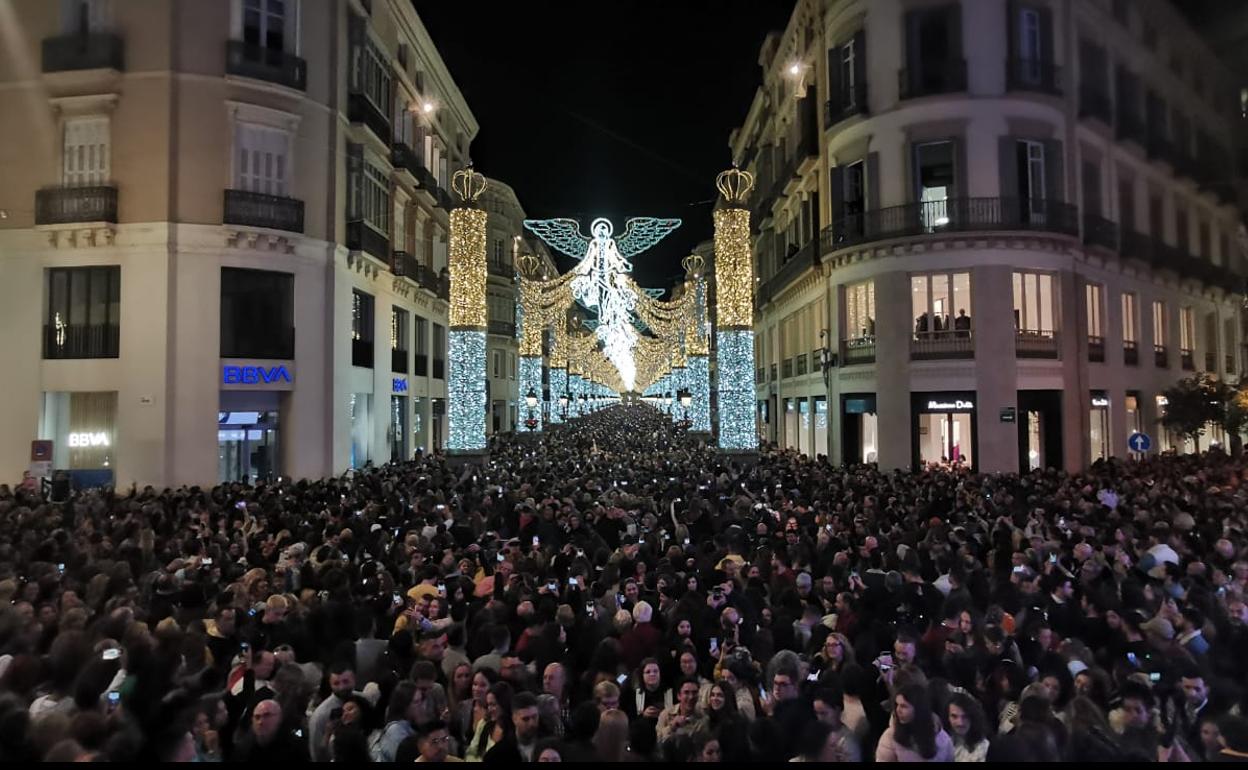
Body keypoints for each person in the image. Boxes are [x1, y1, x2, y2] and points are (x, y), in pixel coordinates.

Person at [875, 685, 955, 762]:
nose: (898, 710)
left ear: (918, 709)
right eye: (896, 705)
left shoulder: (941, 738)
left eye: (903, 706)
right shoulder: (890, 736)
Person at [484, 690, 541, 763]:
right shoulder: (498, 754)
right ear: (514, 719)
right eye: (525, 719)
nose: (532, 723)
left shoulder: (549, 746)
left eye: (534, 717)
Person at [946, 691, 990, 762]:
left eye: (965, 717)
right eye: (954, 716)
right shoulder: (944, 740)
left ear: (972, 717)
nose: (960, 723)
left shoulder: (982, 747)